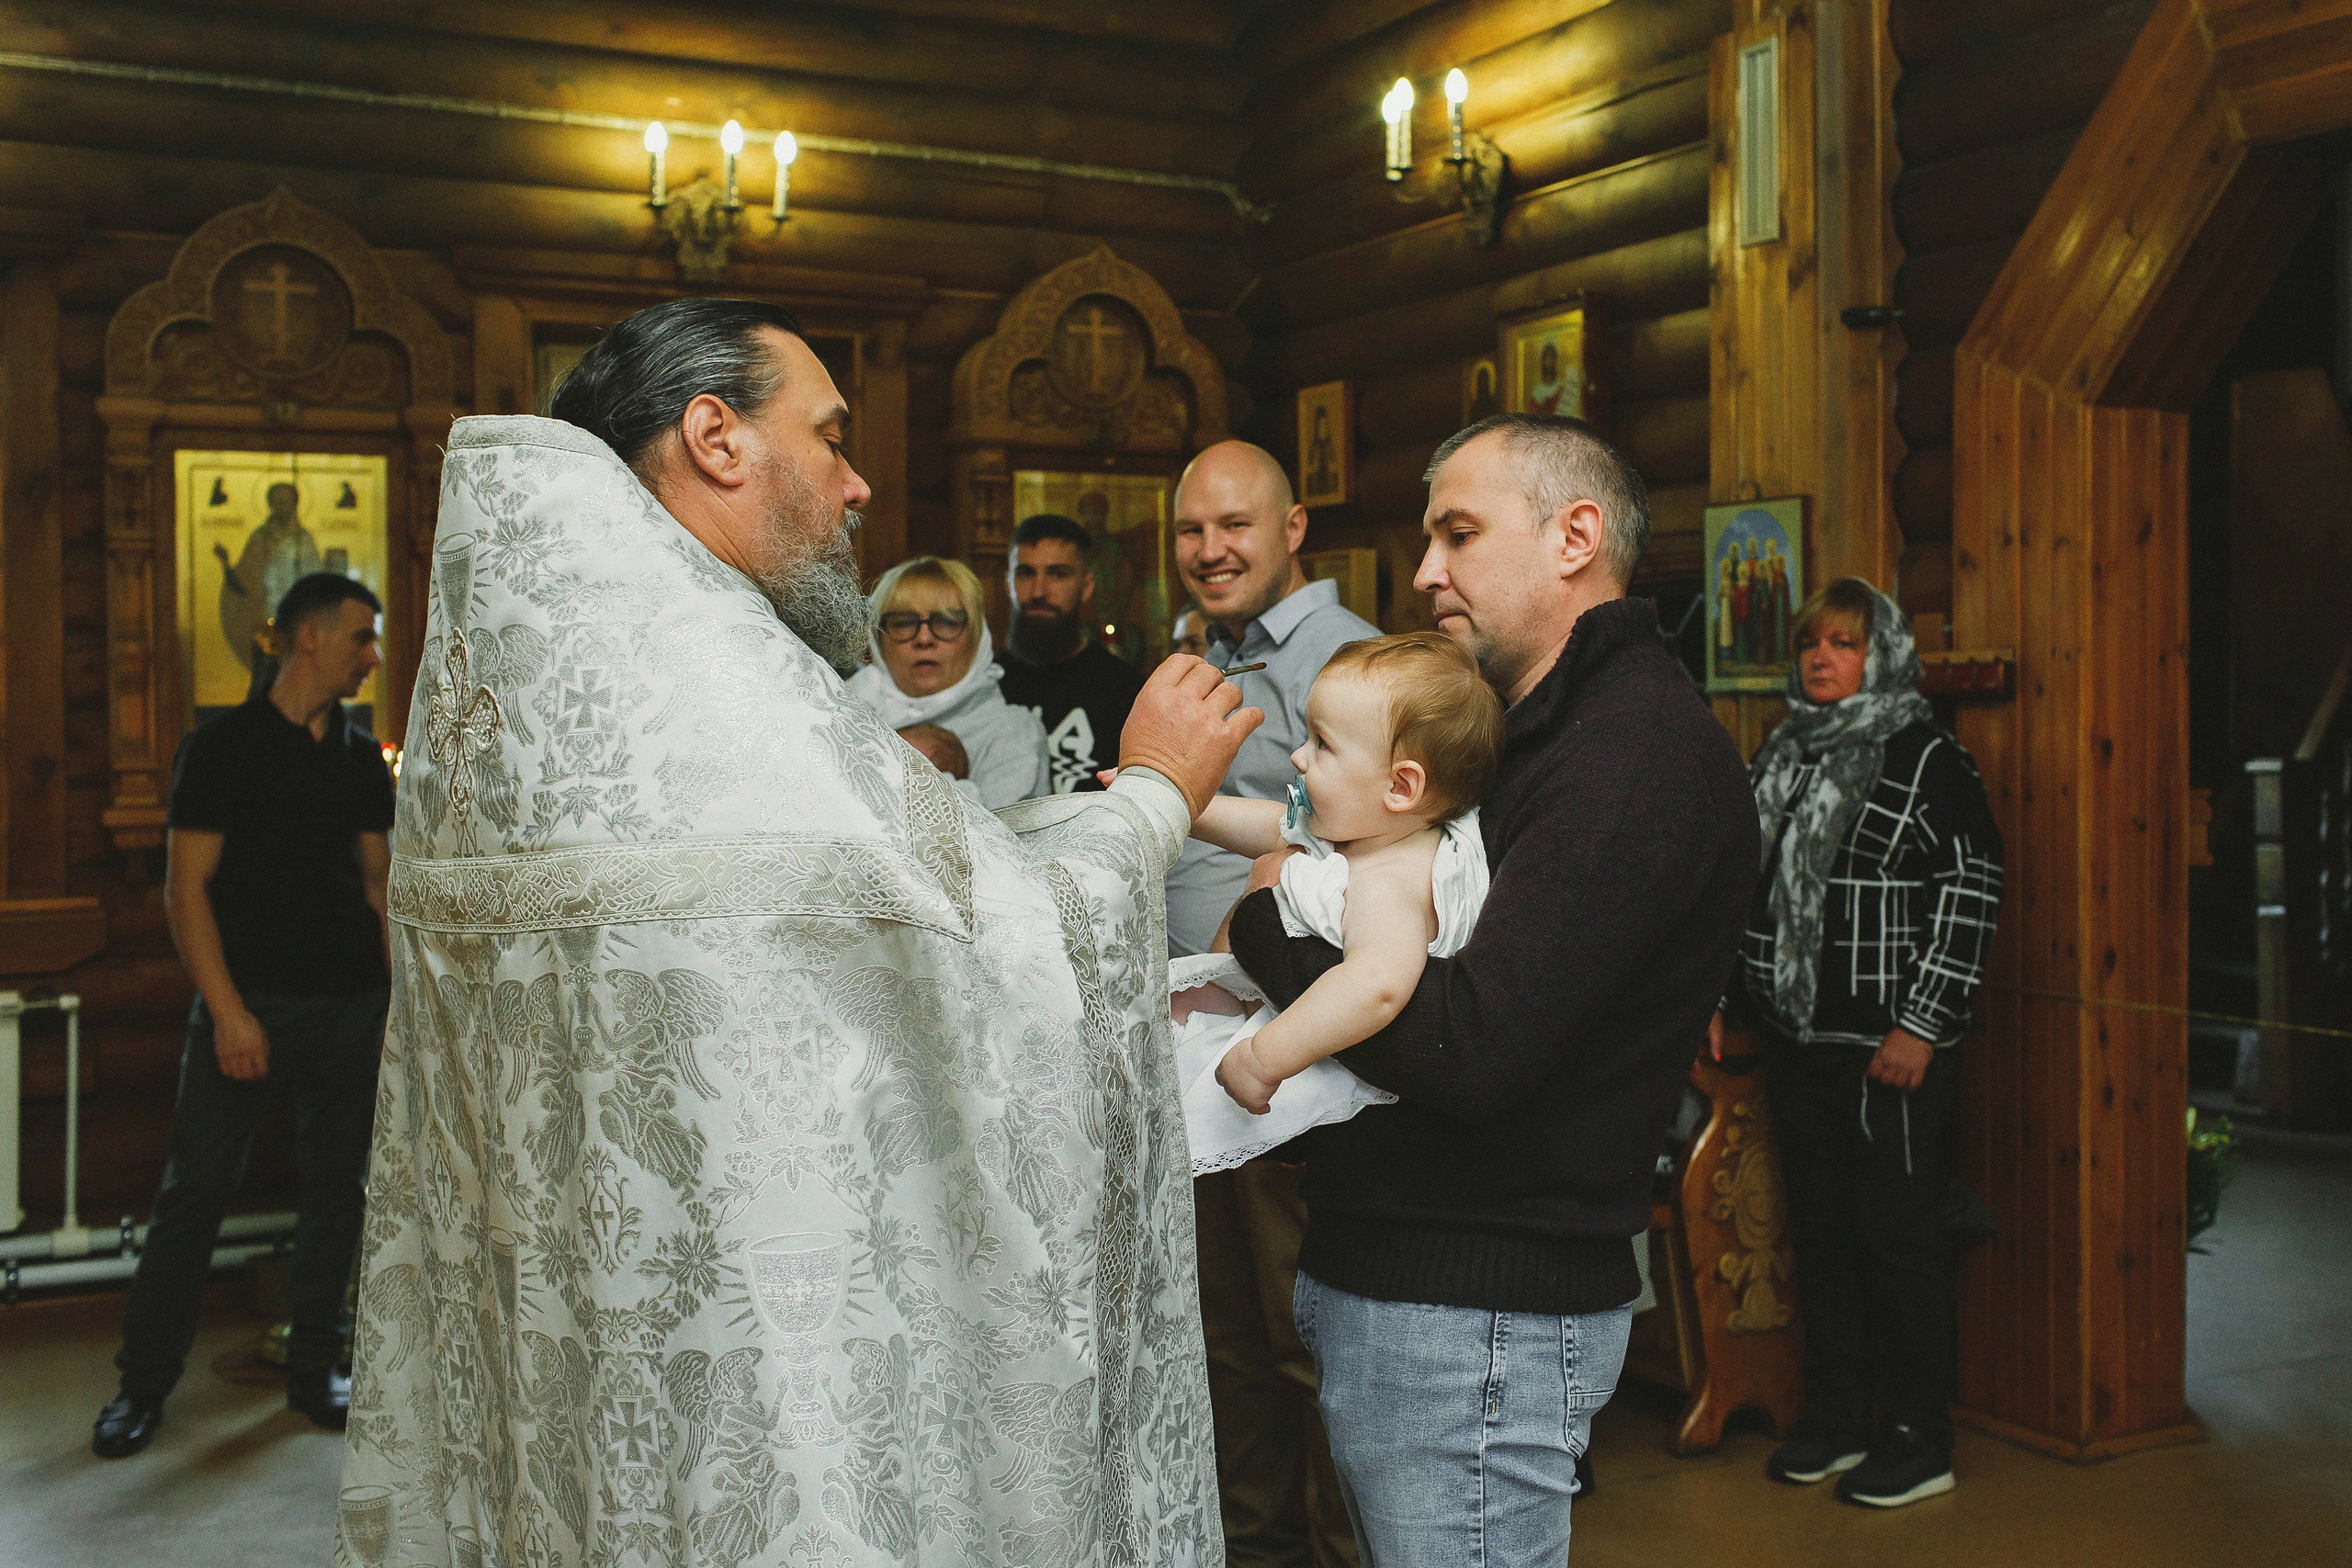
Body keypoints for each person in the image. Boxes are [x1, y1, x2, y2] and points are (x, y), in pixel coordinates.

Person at [340, 297, 1260, 1566]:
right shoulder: (714, 675)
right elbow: (1003, 936)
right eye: (828, 437)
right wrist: (1157, 787)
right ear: (715, 436)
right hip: (759, 1382)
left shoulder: (551, 673)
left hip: (578, 1333)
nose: (858, 481)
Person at [1227, 413, 1758, 1562]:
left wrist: (1265, 924)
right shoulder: (1527, 732)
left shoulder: (1632, 755)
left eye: (1457, 535)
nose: (1425, 574)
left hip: (1477, 1310)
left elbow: (1470, 1048)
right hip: (1417, 1288)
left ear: (1574, 536)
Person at [1716, 576, 2003, 1508]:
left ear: (1880, 656)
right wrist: (1723, 994)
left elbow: (1971, 887)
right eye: (1811, 643)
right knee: (1825, 1235)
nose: (1820, 658)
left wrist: (1923, 1022)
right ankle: (1838, 1419)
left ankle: (1918, 1437)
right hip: (1798, 1038)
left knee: (1897, 1239)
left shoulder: (1926, 758)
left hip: (1890, 1047)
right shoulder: (1783, 753)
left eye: (1843, 643)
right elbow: (1740, 885)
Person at [93, 572, 395, 1459]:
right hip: (247, 1002)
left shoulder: (356, 753)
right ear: (307, 638)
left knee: (338, 1188)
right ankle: (141, 1385)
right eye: (361, 637)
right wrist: (228, 1014)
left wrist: (392, 1009)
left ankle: (315, 1368)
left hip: (348, 1004)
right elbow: (187, 892)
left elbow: (378, 886)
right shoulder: (219, 749)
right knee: (194, 1195)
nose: (372, 654)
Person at [1168, 437, 1376, 1568]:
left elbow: (1341, 833)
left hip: (1274, 1048)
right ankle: (1252, 1548)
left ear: (1294, 530)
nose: (1210, 550)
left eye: (1235, 526)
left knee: (1298, 1329)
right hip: (1197, 1044)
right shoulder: (1216, 649)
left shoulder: (1343, 657)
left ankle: (1344, 1549)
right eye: (1192, 530)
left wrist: (1226, 942)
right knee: (1228, 1334)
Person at [1169, 632, 1503, 1177]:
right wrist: (1180, 803)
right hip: (1277, 1016)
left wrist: (1266, 1057)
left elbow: (1377, 986)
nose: (1299, 756)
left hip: (1316, 1060)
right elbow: (1271, 827)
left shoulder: (1392, 880)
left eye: (1322, 744)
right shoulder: (1368, 829)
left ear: (1401, 786)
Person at [846, 554, 1049, 807]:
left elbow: (1001, 838)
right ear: (878, 641)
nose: (923, 639)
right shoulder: (841, 715)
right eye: (903, 623)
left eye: (946, 622)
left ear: (976, 639)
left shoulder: (1011, 731)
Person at [998, 512, 1145, 795]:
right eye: (1026, 573)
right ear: (1008, 584)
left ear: (1086, 586)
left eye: (1058, 574)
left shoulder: (1124, 691)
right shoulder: (986, 687)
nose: (1039, 591)